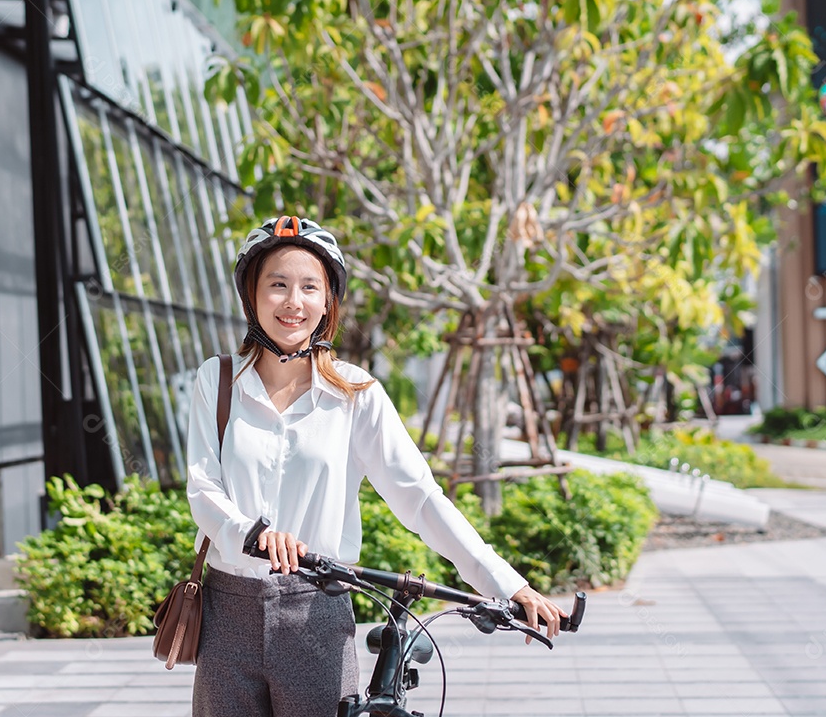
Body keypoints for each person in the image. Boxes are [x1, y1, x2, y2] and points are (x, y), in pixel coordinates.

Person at [186, 215, 567, 716]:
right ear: (252, 296)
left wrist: (506, 582)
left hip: (315, 614)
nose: (293, 302)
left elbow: (421, 498)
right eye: (277, 285)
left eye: (309, 287)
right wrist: (252, 534)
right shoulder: (217, 382)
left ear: (327, 303)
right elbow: (202, 489)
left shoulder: (354, 395)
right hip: (226, 613)